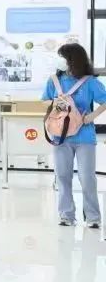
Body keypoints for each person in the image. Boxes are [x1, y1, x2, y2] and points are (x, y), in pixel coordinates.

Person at [42, 42, 106, 227]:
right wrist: (56, 105)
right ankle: (66, 215)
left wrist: (92, 116)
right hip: (60, 136)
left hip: (84, 137)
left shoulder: (89, 82)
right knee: (62, 176)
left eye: (62, 56)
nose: (59, 60)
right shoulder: (54, 80)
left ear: (73, 60)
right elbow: (44, 100)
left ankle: (93, 217)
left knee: (87, 177)